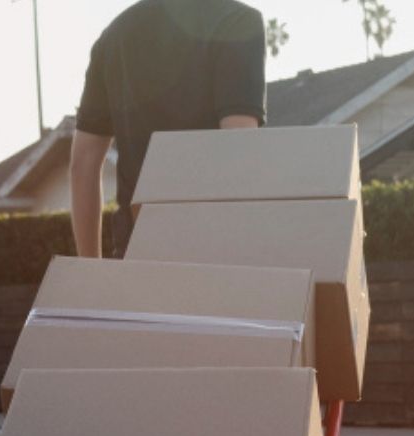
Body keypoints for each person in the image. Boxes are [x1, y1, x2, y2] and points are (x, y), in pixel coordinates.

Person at [70, 0, 267, 258]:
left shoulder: (114, 35)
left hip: (136, 252)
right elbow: (239, 148)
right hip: (214, 255)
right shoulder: (237, 21)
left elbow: (82, 164)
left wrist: (90, 274)